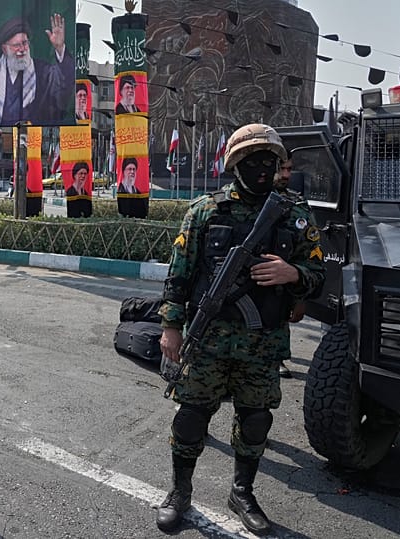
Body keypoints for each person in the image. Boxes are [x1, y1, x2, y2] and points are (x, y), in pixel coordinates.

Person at [155, 124, 325, 534]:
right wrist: (171, 328)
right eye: (253, 161)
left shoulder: (296, 215)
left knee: (255, 421)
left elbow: (319, 275)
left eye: (269, 161)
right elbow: (178, 276)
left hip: (263, 342)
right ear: (235, 165)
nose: (263, 169)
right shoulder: (204, 212)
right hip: (209, 340)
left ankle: (242, 490)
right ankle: (180, 492)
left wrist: (291, 273)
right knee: (191, 418)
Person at [0, 14, 75, 127]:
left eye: (25, 43)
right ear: (4, 49)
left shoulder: (43, 71)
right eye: (16, 45)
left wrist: (59, 48)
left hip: (35, 140)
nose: (22, 49)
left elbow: (63, 85)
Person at [274, 156, 305, 378]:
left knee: (280, 313)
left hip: (283, 277)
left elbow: (308, 256)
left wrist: (303, 297)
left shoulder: (297, 205)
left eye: (289, 169)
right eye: (281, 169)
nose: (286, 175)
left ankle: (278, 357)